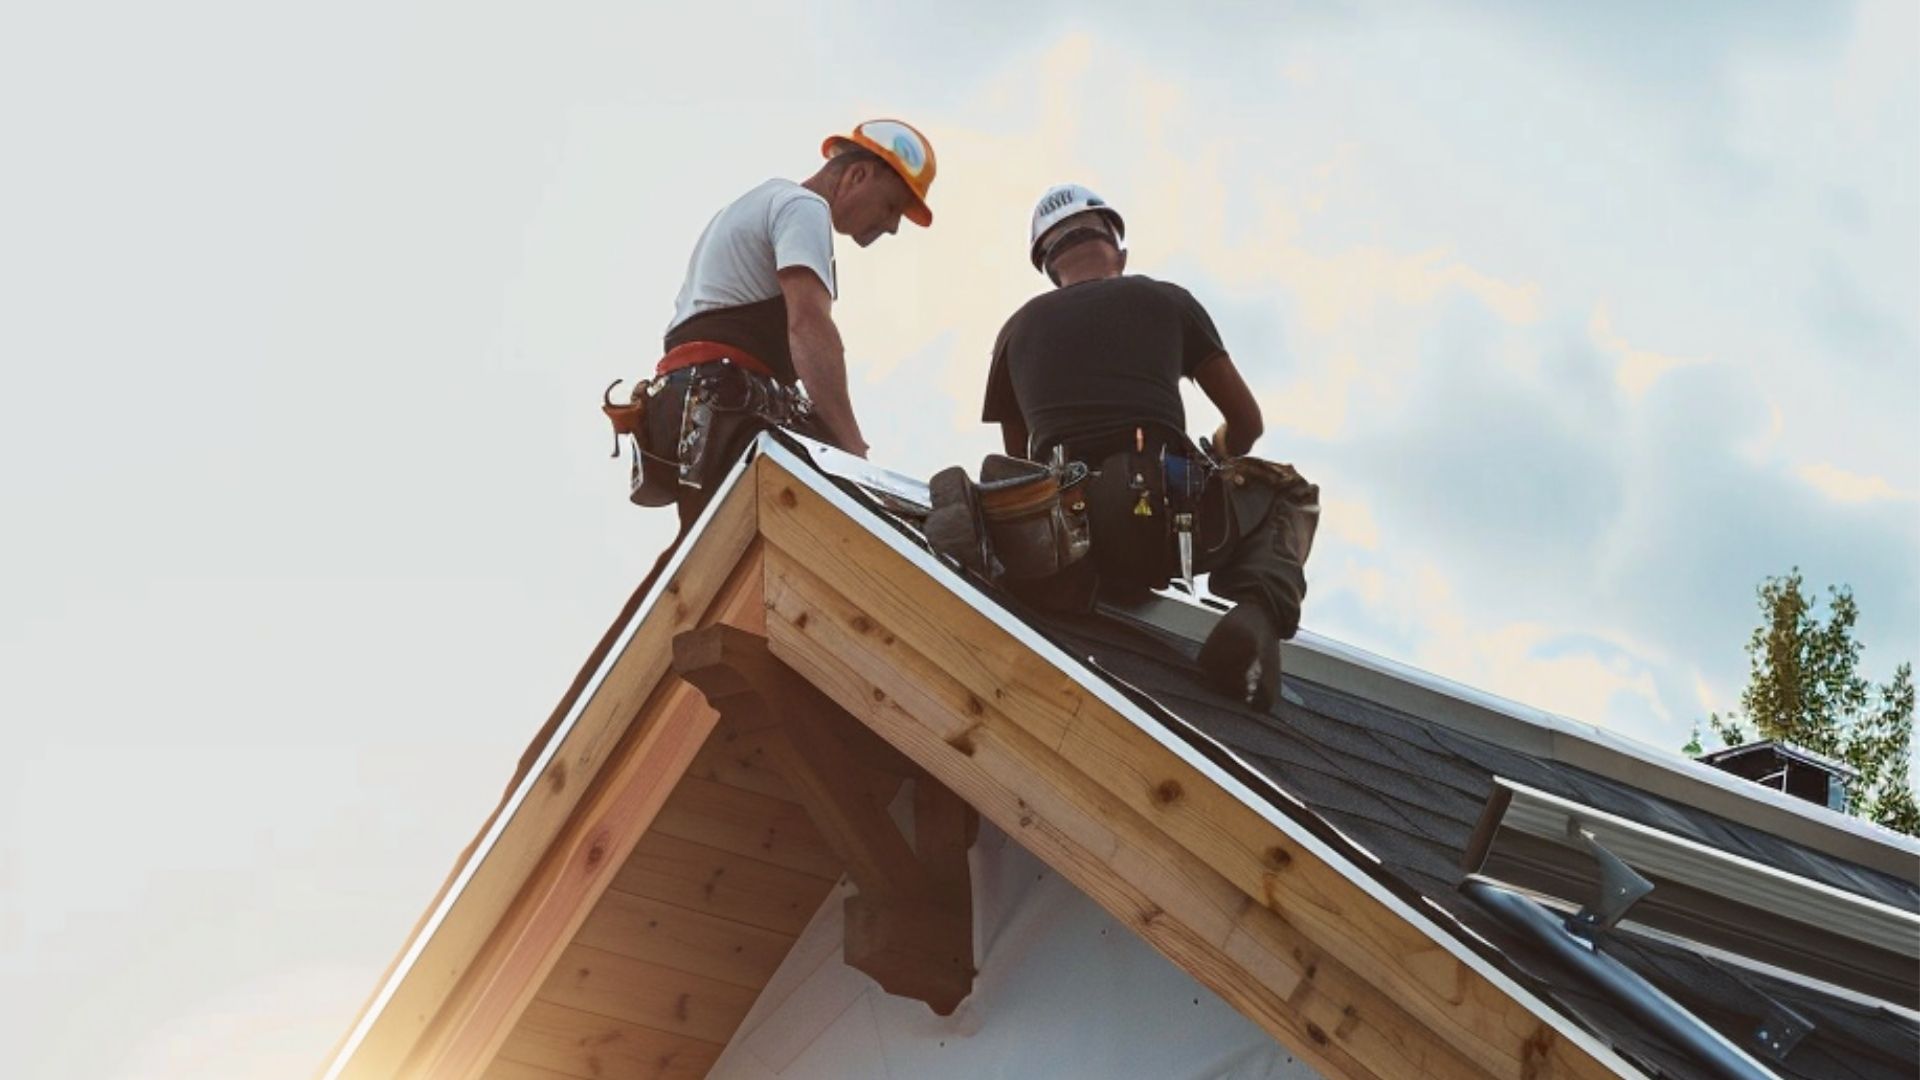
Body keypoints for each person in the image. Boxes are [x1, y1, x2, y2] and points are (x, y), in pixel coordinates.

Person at [972, 183, 1318, 710]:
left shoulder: (1015, 332)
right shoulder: (1166, 299)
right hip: (1166, 516)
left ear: (1048, 265)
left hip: (1074, 530)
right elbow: (1247, 422)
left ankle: (1044, 571)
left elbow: (1021, 468)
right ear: (1119, 251)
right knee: (1290, 490)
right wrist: (1219, 452)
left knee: (1020, 497)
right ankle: (1255, 613)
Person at [623, 119, 937, 527]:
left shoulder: (754, 205)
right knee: (843, 520)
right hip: (723, 407)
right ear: (858, 174)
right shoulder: (803, 207)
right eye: (891, 205)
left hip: (685, 410)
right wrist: (853, 452)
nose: (893, 225)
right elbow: (808, 326)